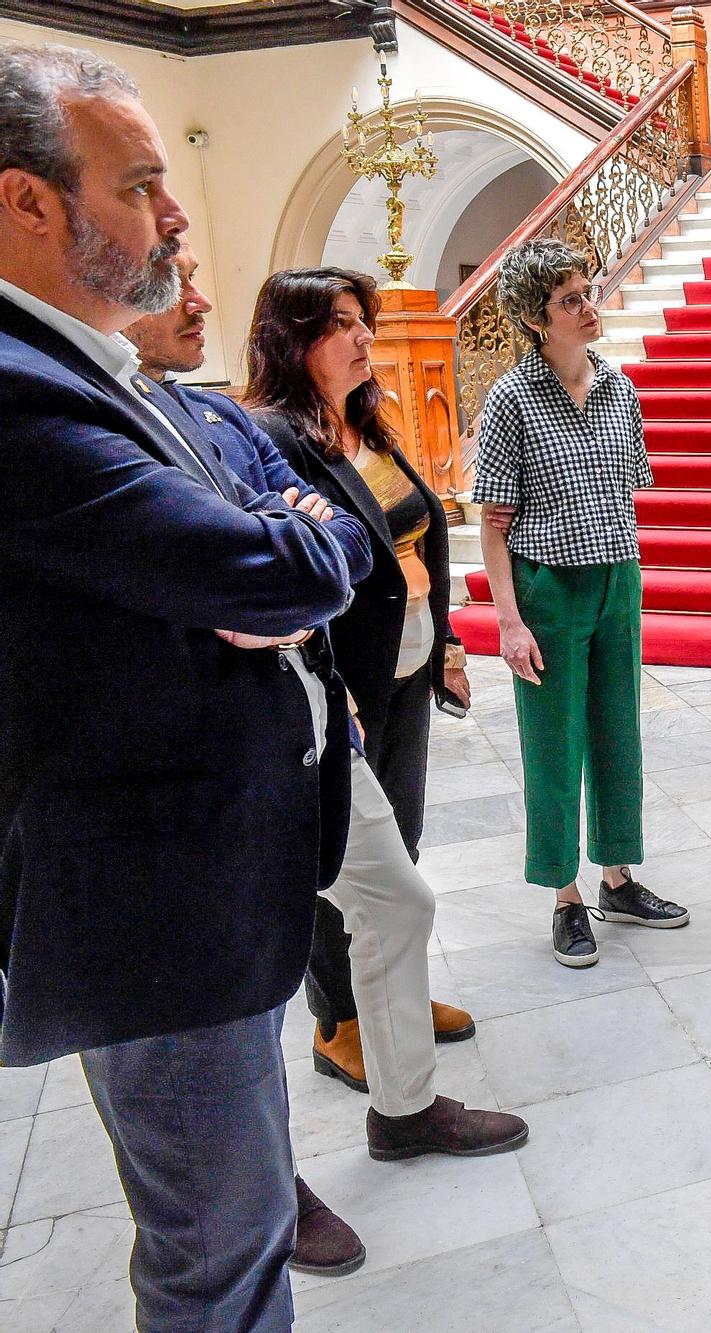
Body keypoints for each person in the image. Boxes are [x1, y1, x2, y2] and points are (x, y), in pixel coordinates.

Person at [0, 43, 353, 1329]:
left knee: (239, 1226)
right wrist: (275, 559)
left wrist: (279, 555)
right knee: (219, 1250)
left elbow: (315, 532)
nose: (175, 215)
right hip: (154, 915)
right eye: (142, 184)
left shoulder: (103, 366)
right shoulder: (19, 391)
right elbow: (278, 564)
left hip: (214, 886)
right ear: (28, 201)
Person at [128, 250, 528, 1275]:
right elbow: (238, 580)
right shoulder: (117, 419)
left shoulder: (208, 419)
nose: (198, 295)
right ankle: (272, 1178)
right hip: (210, 740)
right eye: (166, 273)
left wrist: (296, 561)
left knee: (397, 896)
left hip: (316, 699)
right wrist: (280, 558)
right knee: (237, 985)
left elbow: (339, 551)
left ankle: (402, 1109)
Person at [244, 266, 479, 1088]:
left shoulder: (367, 423)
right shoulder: (270, 437)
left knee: (398, 847)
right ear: (294, 338)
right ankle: (337, 1019)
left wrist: (444, 639)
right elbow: (289, 570)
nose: (364, 339)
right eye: (343, 324)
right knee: (336, 855)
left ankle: (395, 998)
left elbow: (416, 537)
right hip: (341, 682)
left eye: (365, 322)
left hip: (406, 667)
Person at [473, 237, 687, 966]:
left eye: (586, 292)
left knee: (617, 731)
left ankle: (618, 879)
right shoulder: (510, 399)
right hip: (546, 586)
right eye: (570, 300)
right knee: (554, 744)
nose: (587, 307)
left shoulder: (620, 388)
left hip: (617, 576)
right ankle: (565, 896)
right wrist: (509, 621)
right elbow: (493, 525)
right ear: (537, 318)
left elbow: (629, 486)